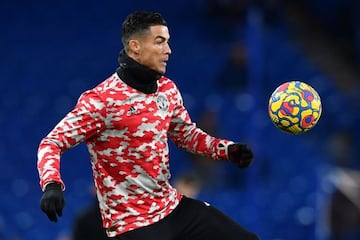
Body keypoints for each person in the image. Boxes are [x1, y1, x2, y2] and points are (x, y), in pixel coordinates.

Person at [37, 11, 258, 240]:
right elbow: (51, 143)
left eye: (168, 42)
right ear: (135, 47)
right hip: (132, 226)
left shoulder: (167, 89)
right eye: (160, 42)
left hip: (172, 208)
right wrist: (52, 185)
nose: (168, 50)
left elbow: (186, 135)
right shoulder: (102, 101)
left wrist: (227, 150)